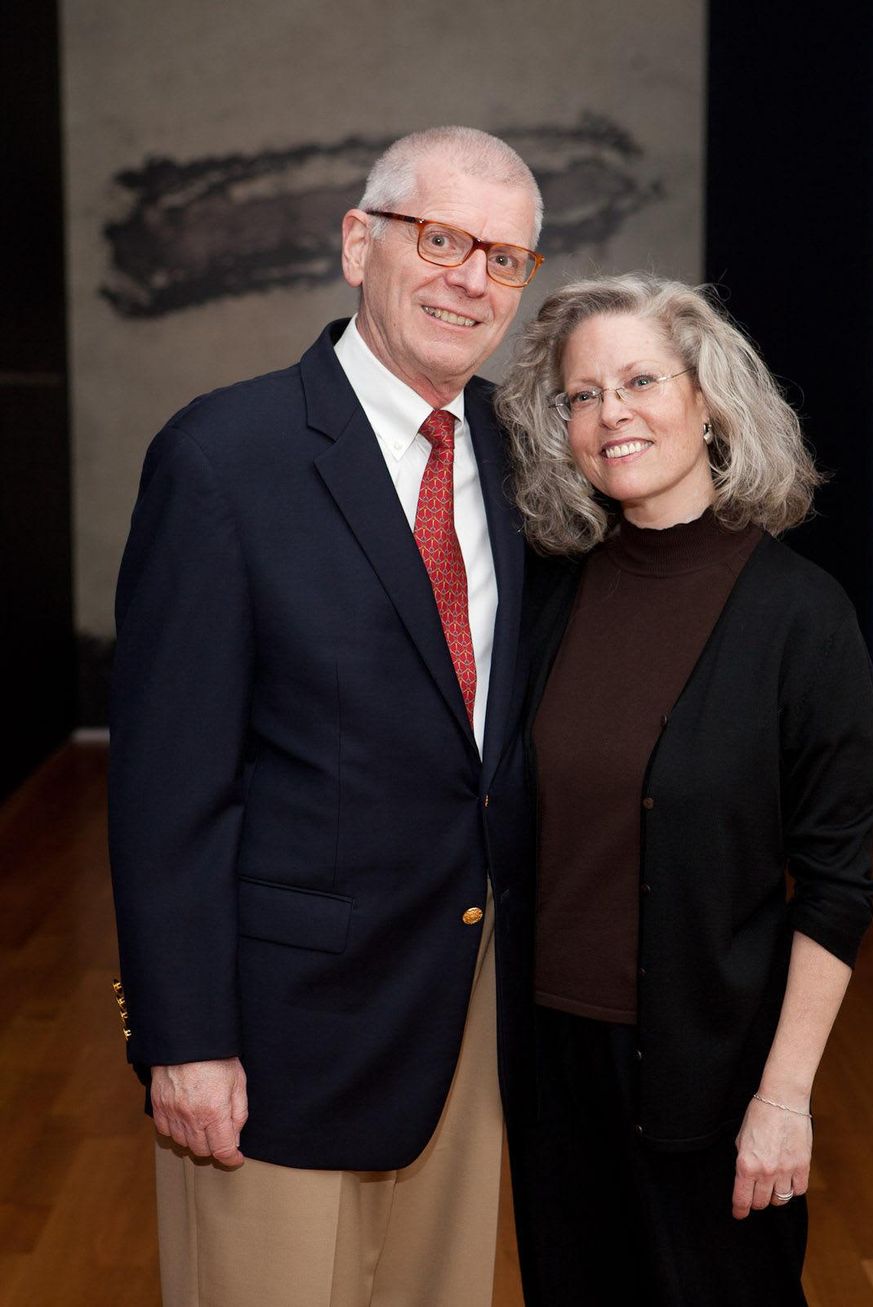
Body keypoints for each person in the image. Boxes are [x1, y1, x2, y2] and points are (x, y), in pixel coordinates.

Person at [108, 125, 544, 1307]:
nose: (471, 279)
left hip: (465, 1018)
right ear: (359, 242)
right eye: (442, 238)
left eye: (504, 258)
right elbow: (165, 787)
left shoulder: (521, 456)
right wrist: (183, 1036)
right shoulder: (222, 457)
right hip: (276, 1038)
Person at [494, 272, 873, 1307]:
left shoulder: (801, 616)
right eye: (581, 394)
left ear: (704, 399)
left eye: (637, 380)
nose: (609, 412)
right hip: (547, 1067)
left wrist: (783, 1098)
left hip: (708, 1073)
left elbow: (837, 882)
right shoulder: (546, 595)